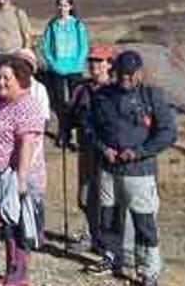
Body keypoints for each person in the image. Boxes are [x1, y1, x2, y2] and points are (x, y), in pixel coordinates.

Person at [86, 51, 176, 286]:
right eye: (120, 75)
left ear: (139, 73)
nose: (124, 80)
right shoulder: (102, 95)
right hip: (109, 168)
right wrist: (102, 147)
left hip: (140, 171)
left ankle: (148, 271)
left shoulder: (151, 96)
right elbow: (89, 128)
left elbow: (167, 133)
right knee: (108, 216)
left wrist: (138, 151)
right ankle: (111, 256)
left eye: (129, 76)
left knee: (144, 221)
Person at [0, 55, 47, 286]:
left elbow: (27, 144)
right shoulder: (1, 102)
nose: (0, 82)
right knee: (9, 226)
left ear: (20, 79)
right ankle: (12, 273)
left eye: (6, 78)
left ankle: (18, 277)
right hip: (1, 175)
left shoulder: (26, 105)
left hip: (18, 177)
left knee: (18, 228)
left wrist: (20, 178)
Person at [67, 43, 116, 252]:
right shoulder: (82, 88)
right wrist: (65, 129)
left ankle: (106, 241)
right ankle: (91, 237)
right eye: (92, 61)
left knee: (106, 197)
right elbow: (71, 115)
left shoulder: (115, 91)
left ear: (109, 64)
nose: (94, 65)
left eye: (99, 61)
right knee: (85, 196)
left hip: (108, 152)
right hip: (86, 148)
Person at [42, 0, 89, 145]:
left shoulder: (77, 25)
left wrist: (77, 64)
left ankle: (79, 134)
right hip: (56, 69)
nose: (62, 8)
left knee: (77, 102)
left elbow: (84, 47)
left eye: (66, 5)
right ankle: (64, 133)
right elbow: (46, 47)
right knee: (59, 104)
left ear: (71, 7)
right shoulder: (52, 25)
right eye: (60, 5)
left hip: (74, 69)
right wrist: (53, 64)